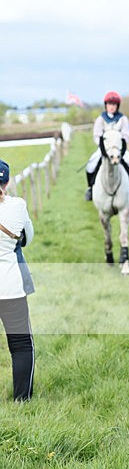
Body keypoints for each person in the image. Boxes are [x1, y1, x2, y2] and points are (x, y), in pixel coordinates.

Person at [0, 160, 35, 401]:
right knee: (21, 345)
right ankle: (22, 400)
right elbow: (28, 238)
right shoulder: (18, 205)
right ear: (8, 181)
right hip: (10, 286)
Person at [84, 92, 129, 201]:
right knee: (91, 165)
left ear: (117, 106)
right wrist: (104, 149)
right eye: (110, 104)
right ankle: (90, 188)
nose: (112, 106)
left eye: (114, 104)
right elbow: (97, 136)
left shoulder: (122, 119)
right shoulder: (101, 119)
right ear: (106, 105)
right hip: (104, 149)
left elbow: (126, 135)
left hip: (119, 149)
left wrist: (120, 149)